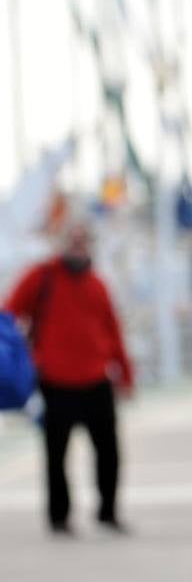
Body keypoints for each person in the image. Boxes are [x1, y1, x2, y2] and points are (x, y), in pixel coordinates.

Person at [3, 223, 134, 534]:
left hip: (96, 379)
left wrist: (125, 374)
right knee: (56, 454)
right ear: (61, 243)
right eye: (71, 240)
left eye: (82, 240)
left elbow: (113, 331)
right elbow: (7, 314)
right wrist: (22, 360)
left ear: (89, 245)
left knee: (109, 452)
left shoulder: (98, 284)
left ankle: (108, 511)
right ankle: (59, 517)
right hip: (55, 381)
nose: (77, 245)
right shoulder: (41, 276)